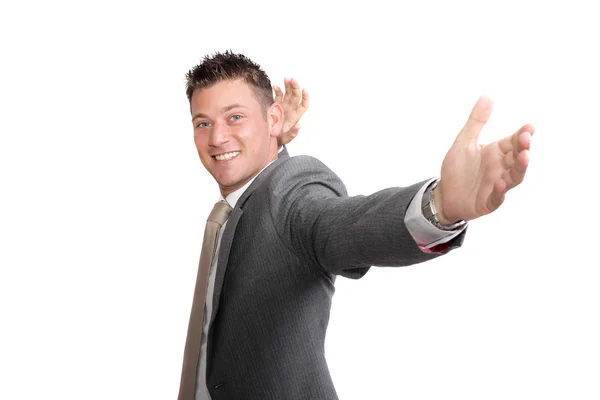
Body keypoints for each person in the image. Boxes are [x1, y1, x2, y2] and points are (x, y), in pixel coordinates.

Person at [177, 51, 535, 400]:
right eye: (203, 123)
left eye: (235, 117)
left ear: (273, 118)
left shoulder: (289, 191)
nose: (217, 137)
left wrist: (439, 207)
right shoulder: (236, 206)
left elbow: (338, 224)